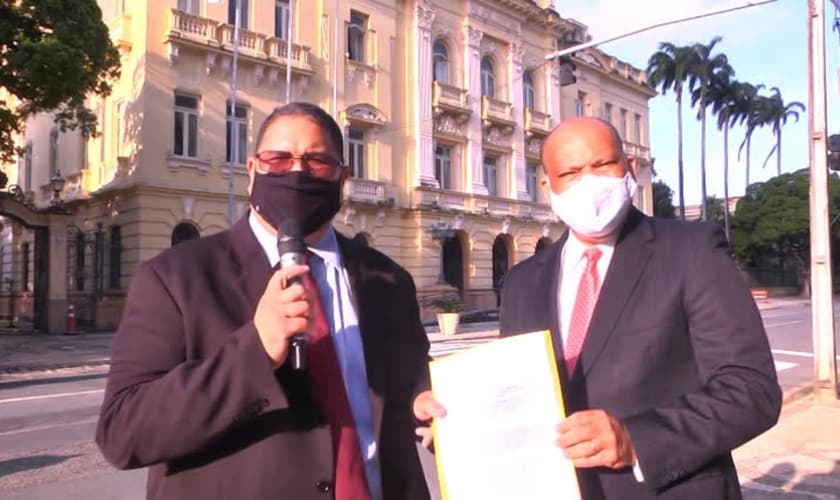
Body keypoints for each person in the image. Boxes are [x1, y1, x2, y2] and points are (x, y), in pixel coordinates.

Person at [96, 102, 432, 500]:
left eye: (316, 161)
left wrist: (426, 403)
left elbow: (412, 386)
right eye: (279, 158)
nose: (296, 172)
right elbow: (123, 432)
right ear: (253, 169)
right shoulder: (174, 278)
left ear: (342, 177)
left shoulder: (388, 280)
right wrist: (256, 350)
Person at [494, 116, 782, 499]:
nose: (590, 183)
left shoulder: (692, 251)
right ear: (547, 187)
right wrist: (456, 428)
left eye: (602, 165)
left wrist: (636, 440)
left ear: (630, 169)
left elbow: (751, 389)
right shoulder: (521, 282)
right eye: (571, 172)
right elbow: (514, 394)